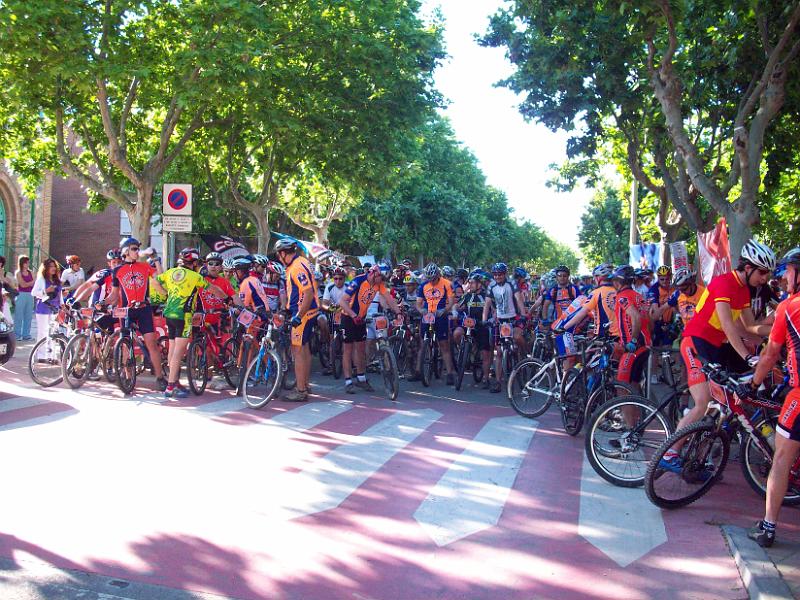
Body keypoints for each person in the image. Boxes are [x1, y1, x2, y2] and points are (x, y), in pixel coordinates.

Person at [659, 239, 776, 474]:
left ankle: (703, 454)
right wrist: (748, 356)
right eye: (762, 272)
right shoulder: (723, 283)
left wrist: (777, 331)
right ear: (748, 267)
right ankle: (669, 453)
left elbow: (749, 328)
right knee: (702, 402)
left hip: (717, 347)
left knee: (738, 393)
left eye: (767, 274)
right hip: (695, 343)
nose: (764, 279)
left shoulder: (743, 290)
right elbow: (728, 326)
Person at [740, 248, 800, 547]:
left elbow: (770, 354)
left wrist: (753, 384)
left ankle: (768, 528)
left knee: (781, 459)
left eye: (788, 270)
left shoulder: (789, 306)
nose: (784, 276)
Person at [155, 248, 226, 399]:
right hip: (185, 316)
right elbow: (213, 289)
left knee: (172, 350)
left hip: (169, 314)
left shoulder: (171, 272)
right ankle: (170, 387)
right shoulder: (195, 276)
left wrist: (165, 294)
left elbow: (154, 281)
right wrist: (227, 299)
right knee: (178, 353)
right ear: (194, 263)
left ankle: (174, 382)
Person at [102, 237, 167, 391]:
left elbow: (160, 279)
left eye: (138, 248)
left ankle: (160, 377)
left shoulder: (145, 266)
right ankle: (128, 376)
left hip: (144, 309)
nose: (137, 251)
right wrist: (103, 302)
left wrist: (156, 259)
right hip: (126, 310)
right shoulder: (117, 270)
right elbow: (114, 294)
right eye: (134, 249)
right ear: (126, 251)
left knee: (151, 344)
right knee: (125, 344)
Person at [339, 264, 400, 393]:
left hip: (361, 318)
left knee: (361, 349)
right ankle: (348, 381)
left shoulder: (379, 284)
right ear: (372, 274)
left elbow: (389, 299)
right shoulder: (357, 281)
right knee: (348, 349)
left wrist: (398, 312)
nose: (381, 281)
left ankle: (361, 378)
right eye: (380, 278)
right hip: (348, 317)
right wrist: (353, 315)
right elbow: (342, 301)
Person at [275, 238, 320, 402]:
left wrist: (298, 316)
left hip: (303, 313)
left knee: (298, 351)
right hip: (309, 311)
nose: (278, 257)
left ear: (282, 253)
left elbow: (307, 293)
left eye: (278, 255)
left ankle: (300, 391)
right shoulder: (301, 261)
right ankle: (305, 384)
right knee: (305, 349)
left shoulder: (296, 267)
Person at [483, 262, 526, 392]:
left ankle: (523, 353)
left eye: (500, 274)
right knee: (499, 352)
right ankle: (498, 382)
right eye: (495, 274)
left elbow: (518, 299)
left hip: (514, 318)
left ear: (505, 274)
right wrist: (484, 320)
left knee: (517, 337)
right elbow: (487, 304)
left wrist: (523, 314)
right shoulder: (491, 286)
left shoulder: (512, 283)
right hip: (501, 320)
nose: (497, 276)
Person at [611, 265, 651, 392]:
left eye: (614, 280)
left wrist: (633, 340)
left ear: (618, 282)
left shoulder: (622, 297)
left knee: (622, 387)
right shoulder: (638, 296)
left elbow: (636, 317)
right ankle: (643, 404)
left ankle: (626, 407)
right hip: (645, 344)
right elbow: (649, 319)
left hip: (634, 346)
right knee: (634, 384)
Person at [418, 262, 457, 385]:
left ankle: (449, 373)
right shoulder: (423, 286)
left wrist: (444, 310)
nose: (431, 281)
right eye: (429, 279)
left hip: (440, 315)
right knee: (422, 342)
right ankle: (418, 371)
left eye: (433, 279)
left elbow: (451, 301)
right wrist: (421, 310)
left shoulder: (447, 284)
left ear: (438, 276)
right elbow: (418, 303)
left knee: (444, 344)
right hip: (428, 314)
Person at [453, 272, 492, 386]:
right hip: (468, 324)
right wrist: (455, 312)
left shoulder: (486, 296)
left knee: (485, 353)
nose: (470, 285)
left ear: (479, 284)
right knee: (457, 333)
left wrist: (490, 320)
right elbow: (457, 305)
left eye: (472, 283)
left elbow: (494, 310)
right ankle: (464, 351)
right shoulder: (467, 295)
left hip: (482, 325)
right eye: (469, 282)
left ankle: (486, 378)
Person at [31, 258, 62, 359]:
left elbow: (60, 294)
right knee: (43, 332)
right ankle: (41, 355)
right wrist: (45, 291)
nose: (53, 268)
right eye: (51, 266)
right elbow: (34, 293)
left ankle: (52, 355)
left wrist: (63, 305)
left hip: (55, 309)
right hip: (43, 308)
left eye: (54, 266)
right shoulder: (41, 279)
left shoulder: (57, 280)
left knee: (54, 332)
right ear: (46, 268)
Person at [647, 265, 676, 347]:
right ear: (658, 278)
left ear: (670, 277)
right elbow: (655, 312)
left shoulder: (674, 288)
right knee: (657, 348)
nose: (665, 281)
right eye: (662, 279)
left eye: (667, 279)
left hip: (672, 322)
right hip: (657, 323)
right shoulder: (654, 289)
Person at [14, 255, 34, 340]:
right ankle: (17, 335)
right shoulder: (18, 273)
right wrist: (31, 283)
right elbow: (22, 285)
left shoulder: (31, 272)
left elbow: (34, 283)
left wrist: (28, 284)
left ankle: (26, 335)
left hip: (30, 295)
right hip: (21, 294)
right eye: (26, 262)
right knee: (19, 315)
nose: (28, 264)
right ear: (22, 263)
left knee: (28, 315)